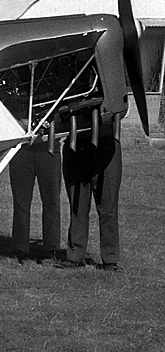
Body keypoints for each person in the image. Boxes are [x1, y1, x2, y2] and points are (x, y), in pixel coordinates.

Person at [58, 111, 124, 272]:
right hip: (75, 143)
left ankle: (110, 259)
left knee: (108, 206)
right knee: (77, 205)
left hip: (105, 143)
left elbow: (119, 106)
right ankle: (75, 255)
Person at [8, 134, 62, 263]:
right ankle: (20, 247)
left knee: (51, 201)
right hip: (22, 148)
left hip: (49, 147)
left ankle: (51, 248)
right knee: (21, 202)